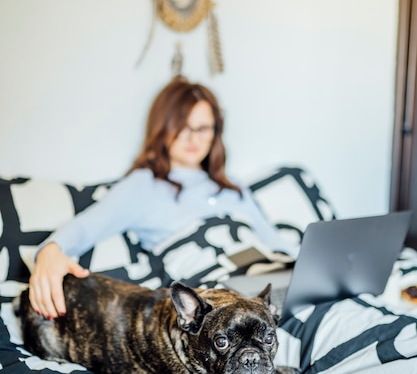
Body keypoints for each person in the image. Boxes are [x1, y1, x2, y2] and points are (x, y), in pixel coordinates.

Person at [29, 76, 297, 319]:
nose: (193, 138)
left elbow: (276, 245)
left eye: (203, 128)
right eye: (183, 127)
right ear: (163, 129)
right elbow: (86, 227)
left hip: (270, 289)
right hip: (223, 304)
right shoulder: (144, 184)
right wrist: (50, 251)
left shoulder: (232, 187)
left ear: (216, 133)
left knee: (333, 311)